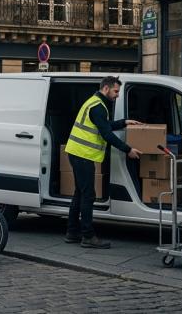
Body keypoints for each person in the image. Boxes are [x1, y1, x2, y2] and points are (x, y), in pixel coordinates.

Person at [64, 76, 142, 249]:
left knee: (80, 193)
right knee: (88, 195)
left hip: (77, 153)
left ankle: (72, 232)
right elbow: (106, 134)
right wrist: (128, 149)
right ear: (106, 89)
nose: (117, 95)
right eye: (116, 91)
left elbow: (104, 126)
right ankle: (88, 236)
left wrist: (123, 122)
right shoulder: (98, 107)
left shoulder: (95, 102)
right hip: (82, 155)